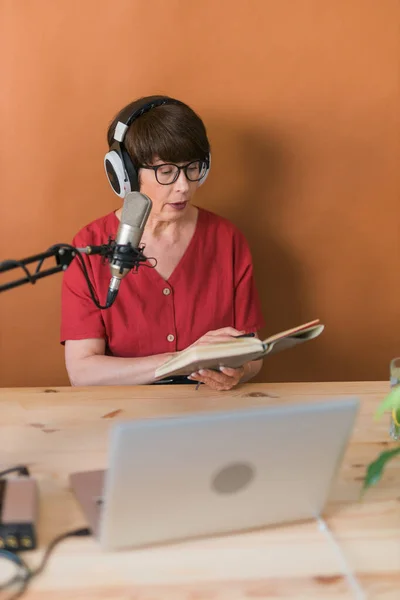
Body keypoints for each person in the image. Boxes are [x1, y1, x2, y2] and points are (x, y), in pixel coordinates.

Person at [61, 95, 265, 391]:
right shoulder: (90, 246)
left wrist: (240, 369)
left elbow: (253, 354)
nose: (184, 186)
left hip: (211, 417)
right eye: (166, 172)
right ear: (126, 176)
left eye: (193, 168)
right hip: (124, 417)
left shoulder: (227, 239)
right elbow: (82, 372)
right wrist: (183, 359)